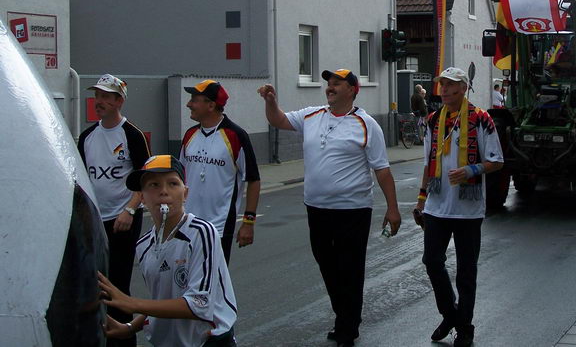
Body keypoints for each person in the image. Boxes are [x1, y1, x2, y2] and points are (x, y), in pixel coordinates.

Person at [258, 68, 401, 347]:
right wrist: (271, 102)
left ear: (353, 90)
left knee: (350, 268)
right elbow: (279, 120)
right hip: (317, 208)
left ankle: (348, 325)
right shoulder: (312, 115)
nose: (330, 87)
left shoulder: (366, 124)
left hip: (353, 210)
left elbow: (382, 170)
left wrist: (392, 208)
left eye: (338, 83)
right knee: (328, 266)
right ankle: (344, 316)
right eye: (329, 83)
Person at [99, 155, 237, 347]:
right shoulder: (144, 244)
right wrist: (130, 327)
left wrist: (131, 303)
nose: (164, 191)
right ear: (142, 198)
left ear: (185, 193)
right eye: (153, 185)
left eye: (173, 183)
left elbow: (199, 304)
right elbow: (163, 300)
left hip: (208, 341)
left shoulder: (201, 232)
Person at [413, 67, 504, 347]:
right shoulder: (432, 120)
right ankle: (450, 313)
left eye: (451, 85)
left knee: (466, 271)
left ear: (463, 88)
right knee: (432, 262)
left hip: (468, 209)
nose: (445, 90)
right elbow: (429, 162)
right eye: (442, 84)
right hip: (437, 207)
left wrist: (471, 170)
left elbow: (497, 161)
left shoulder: (481, 119)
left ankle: (464, 327)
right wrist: (421, 200)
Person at [77, 74, 151, 347]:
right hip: (96, 221)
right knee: (95, 282)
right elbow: (81, 180)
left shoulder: (132, 135)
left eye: (106, 96)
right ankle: (100, 335)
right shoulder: (87, 137)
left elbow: (146, 181)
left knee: (118, 283)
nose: (100, 101)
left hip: (124, 220)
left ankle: (124, 340)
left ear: (119, 100)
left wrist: (129, 211)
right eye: (97, 96)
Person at [180, 80, 261, 264]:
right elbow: (179, 177)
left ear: (211, 105)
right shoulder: (189, 135)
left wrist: (248, 223)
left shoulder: (236, 136)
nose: (188, 104)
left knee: (213, 284)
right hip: (186, 224)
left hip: (218, 226)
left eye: (194, 99)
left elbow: (254, 180)